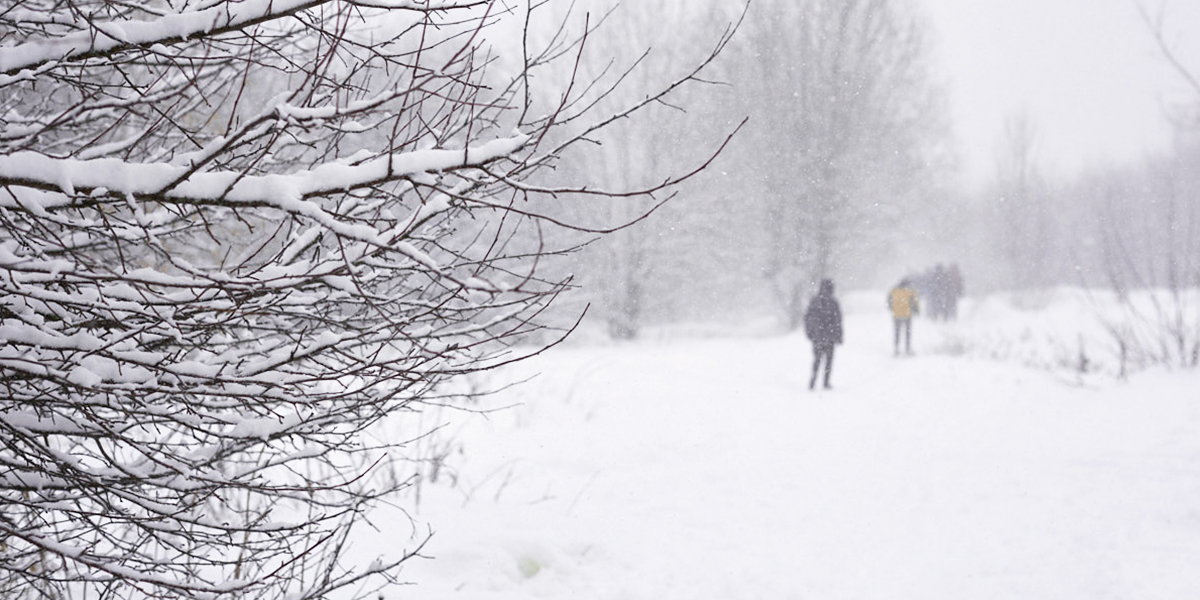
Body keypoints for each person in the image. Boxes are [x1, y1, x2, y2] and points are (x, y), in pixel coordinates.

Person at [803, 279, 843, 390]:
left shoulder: (815, 301)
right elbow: (838, 321)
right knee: (828, 361)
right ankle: (825, 382)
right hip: (829, 337)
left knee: (817, 360)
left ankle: (813, 381)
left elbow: (807, 319)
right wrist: (838, 336)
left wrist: (810, 333)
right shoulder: (833, 302)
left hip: (818, 337)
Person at [888, 278, 919, 355]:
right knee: (907, 333)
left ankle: (896, 349)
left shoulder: (894, 291)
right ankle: (907, 349)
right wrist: (916, 310)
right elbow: (914, 302)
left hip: (896, 314)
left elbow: (889, 301)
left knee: (897, 332)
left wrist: (893, 309)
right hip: (907, 314)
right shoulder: (911, 291)